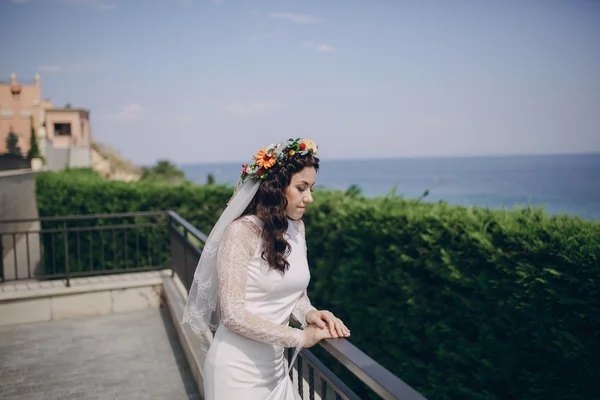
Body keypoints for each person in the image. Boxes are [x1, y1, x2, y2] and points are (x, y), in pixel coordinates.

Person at [182, 138, 350, 399]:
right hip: (236, 372)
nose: (310, 198)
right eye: (301, 188)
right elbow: (233, 316)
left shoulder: (297, 228)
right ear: (276, 188)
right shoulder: (241, 233)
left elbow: (295, 295)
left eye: (311, 188)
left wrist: (311, 313)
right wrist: (300, 338)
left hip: (276, 369)